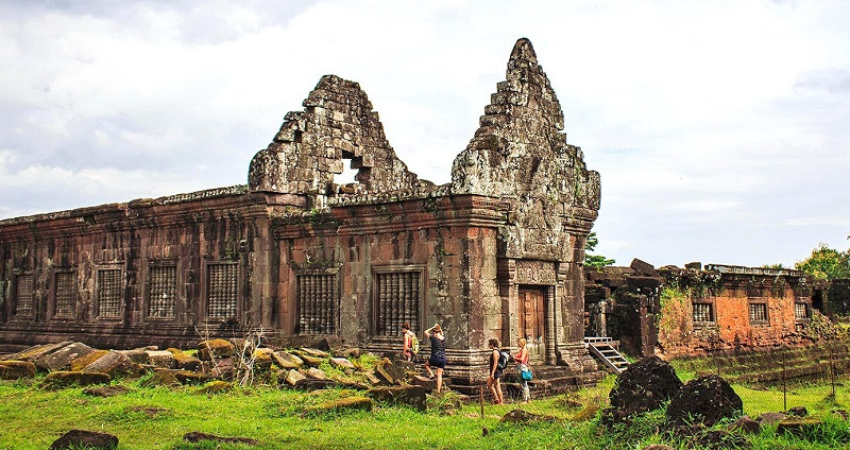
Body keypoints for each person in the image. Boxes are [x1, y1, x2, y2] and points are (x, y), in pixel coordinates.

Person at [423, 323, 446, 393]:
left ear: (435, 333)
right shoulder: (443, 338)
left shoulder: (433, 338)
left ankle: (431, 374)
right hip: (443, 359)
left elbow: (425, 332)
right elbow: (442, 333)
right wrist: (439, 328)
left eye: (434, 332)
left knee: (426, 365)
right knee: (439, 375)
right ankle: (438, 391)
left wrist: (432, 327)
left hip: (436, 357)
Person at [487, 338, 504, 405]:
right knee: (490, 384)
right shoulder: (498, 351)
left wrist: (493, 373)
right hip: (496, 371)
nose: (488, 346)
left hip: (495, 371)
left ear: (492, 345)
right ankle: (497, 399)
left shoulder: (495, 352)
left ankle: (500, 401)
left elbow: (495, 363)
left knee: (496, 386)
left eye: (489, 344)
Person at [514, 337, 530, 403]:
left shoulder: (524, 350)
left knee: (523, 384)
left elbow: (522, 359)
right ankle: (528, 399)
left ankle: (525, 399)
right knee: (524, 384)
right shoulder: (523, 349)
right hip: (522, 366)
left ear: (522, 343)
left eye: (519, 342)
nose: (518, 343)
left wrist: (514, 357)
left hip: (522, 367)